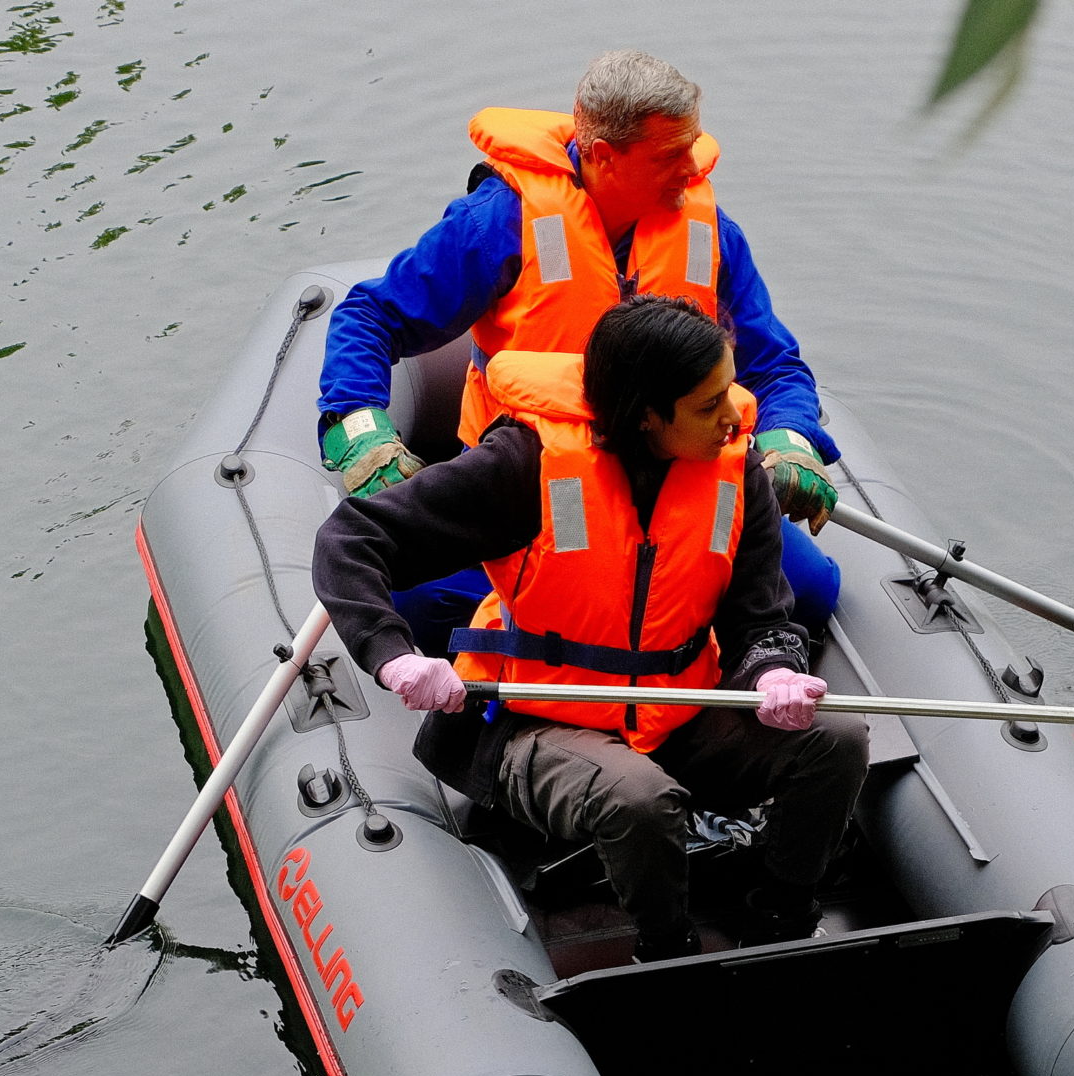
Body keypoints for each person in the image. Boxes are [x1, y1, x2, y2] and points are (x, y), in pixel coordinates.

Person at [313, 295, 871, 963]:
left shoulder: (735, 469)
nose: (735, 416)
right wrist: (394, 657)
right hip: (534, 721)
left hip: (674, 714)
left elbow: (760, 616)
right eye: (708, 404)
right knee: (639, 797)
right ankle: (667, 951)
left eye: (731, 392)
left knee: (837, 739)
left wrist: (771, 669)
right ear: (646, 415)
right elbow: (352, 539)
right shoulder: (525, 465)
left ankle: (781, 919)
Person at [316, 48, 843, 636]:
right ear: (602, 157)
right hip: (535, 480)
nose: (691, 171)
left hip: (684, 475)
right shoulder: (500, 221)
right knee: (410, 598)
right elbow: (371, 314)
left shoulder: (711, 233)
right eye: (669, 156)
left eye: (691, 150)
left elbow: (773, 365)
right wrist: (358, 425)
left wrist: (791, 437)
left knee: (810, 593)